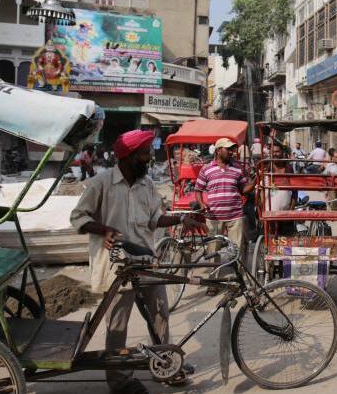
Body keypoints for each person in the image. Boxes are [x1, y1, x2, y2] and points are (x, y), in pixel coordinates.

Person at [70, 130, 198, 393]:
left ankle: (166, 365)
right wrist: (103, 229)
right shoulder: (100, 184)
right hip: (117, 265)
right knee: (118, 325)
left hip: (146, 261)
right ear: (129, 157)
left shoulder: (147, 184)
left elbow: (154, 218)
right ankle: (119, 380)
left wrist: (181, 219)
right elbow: (78, 217)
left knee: (160, 315)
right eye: (145, 153)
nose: (150, 157)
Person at [195, 137, 254, 295]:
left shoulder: (237, 169)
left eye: (232, 149)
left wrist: (254, 181)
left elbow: (244, 189)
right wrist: (201, 204)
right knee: (213, 252)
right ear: (218, 150)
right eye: (228, 149)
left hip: (235, 215)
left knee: (237, 249)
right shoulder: (206, 169)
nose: (231, 152)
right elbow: (198, 190)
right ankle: (213, 282)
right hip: (214, 216)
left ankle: (237, 282)